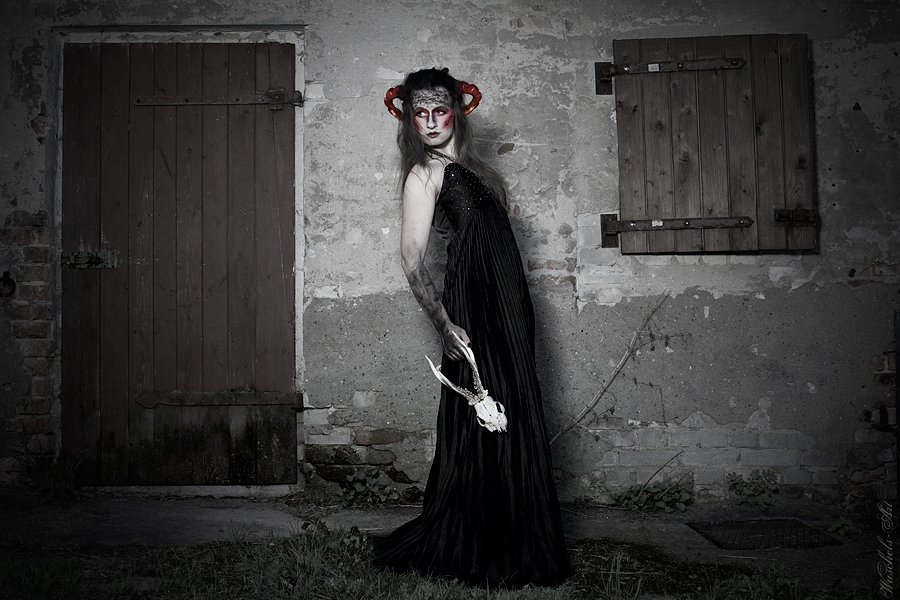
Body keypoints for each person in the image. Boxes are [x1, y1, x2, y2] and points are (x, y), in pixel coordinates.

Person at [372, 67, 572, 588]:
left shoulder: (474, 168)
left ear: (456, 112)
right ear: (409, 119)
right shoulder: (424, 174)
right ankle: (482, 544)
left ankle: (516, 538)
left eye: (439, 110)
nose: (430, 121)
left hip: (507, 301)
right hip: (474, 305)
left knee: (514, 406)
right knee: (485, 414)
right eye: (420, 113)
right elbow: (411, 260)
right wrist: (444, 324)